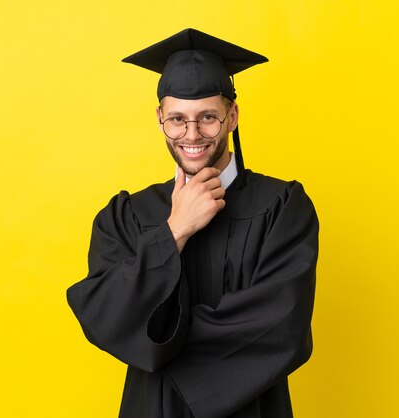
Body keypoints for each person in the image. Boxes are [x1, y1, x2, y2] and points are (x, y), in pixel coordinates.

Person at [66, 28, 319, 418]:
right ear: (160, 119)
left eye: (208, 118)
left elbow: (282, 326)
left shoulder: (281, 208)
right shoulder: (128, 215)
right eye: (177, 120)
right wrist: (174, 231)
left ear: (232, 116)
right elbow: (105, 316)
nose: (192, 134)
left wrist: (158, 340)